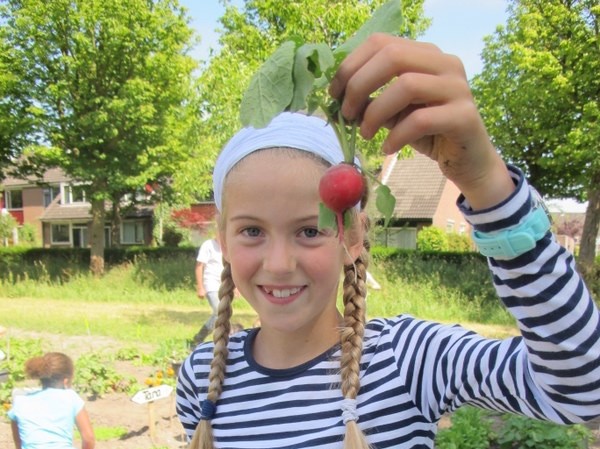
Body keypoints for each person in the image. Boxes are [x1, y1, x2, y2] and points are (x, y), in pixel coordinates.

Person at [176, 34, 600, 449]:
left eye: (309, 230)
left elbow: (581, 388)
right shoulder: (202, 379)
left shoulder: (406, 360)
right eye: (252, 231)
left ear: (354, 237)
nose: (280, 262)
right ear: (224, 243)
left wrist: (486, 183)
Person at [8, 352, 95, 449]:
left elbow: (18, 441)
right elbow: (88, 438)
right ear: (65, 381)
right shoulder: (70, 397)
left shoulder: (20, 402)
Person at [193, 232, 224, 345]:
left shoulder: (227, 247)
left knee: (221, 314)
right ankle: (200, 337)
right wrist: (200, 287)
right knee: (218, 311)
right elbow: (199, 267)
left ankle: (219, 338)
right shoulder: (208, 245)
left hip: (224, 285)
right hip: (210, 284)